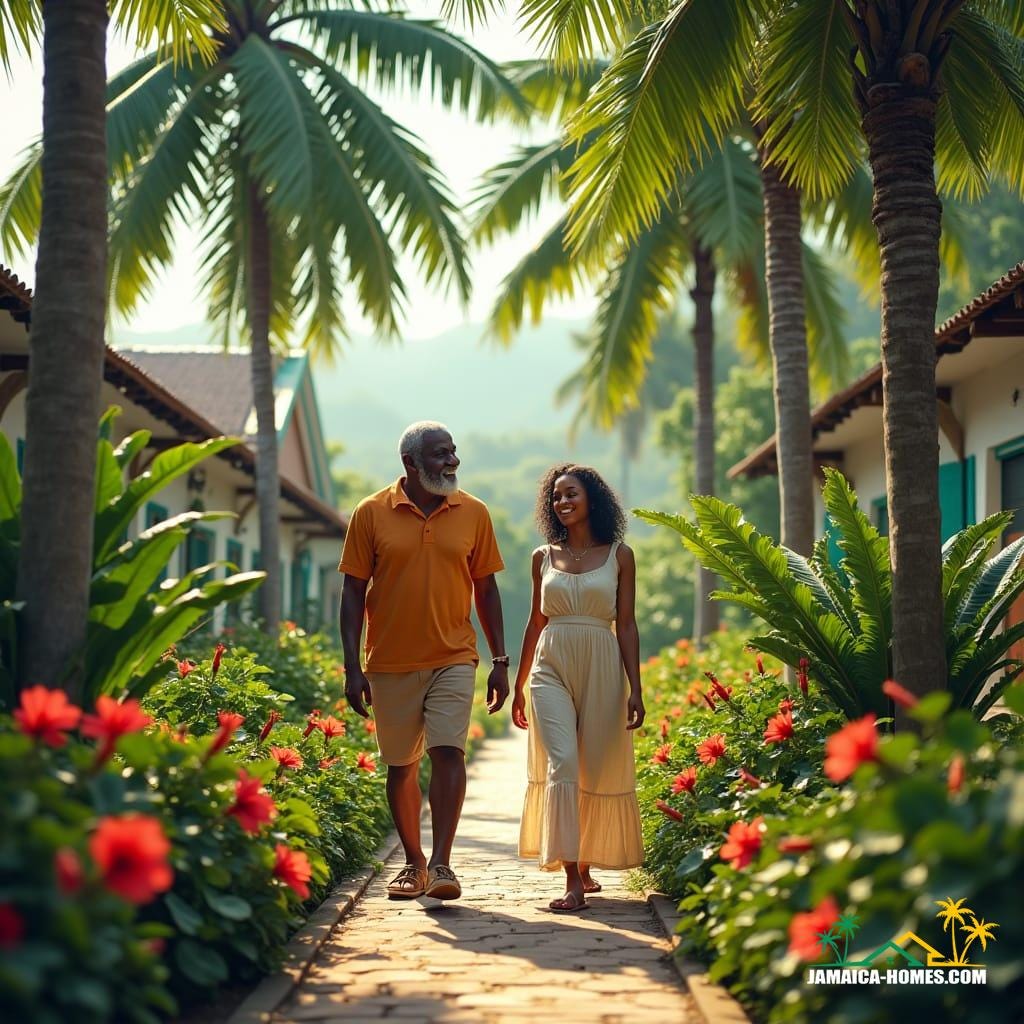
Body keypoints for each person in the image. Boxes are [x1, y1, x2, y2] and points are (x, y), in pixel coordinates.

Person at [339, 421, 509, 902]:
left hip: (454, 655)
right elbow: (352, 592)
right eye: (439, 454)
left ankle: (441, 865)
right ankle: (412, 863)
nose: (451, 461)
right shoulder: (370, 513)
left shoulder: (473, 512)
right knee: (401, 765)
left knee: (449, 751)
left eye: (453, 452)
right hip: (389, 661)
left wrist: (499, 659)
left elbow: (487, 588)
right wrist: (352, 666)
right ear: (410, 463)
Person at [513, 464, 645, 913]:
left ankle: (585, 863)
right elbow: (535, 622)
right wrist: (518, 684)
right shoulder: (541, 557)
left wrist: (636, 688)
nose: (562, 502)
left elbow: (625, 625)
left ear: (593, 499)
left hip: (603, 661)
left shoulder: (619, 555)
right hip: (550, 663)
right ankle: (571, 878)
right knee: (564, 762)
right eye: (555, 496)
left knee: (592, 765)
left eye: (570, 494)